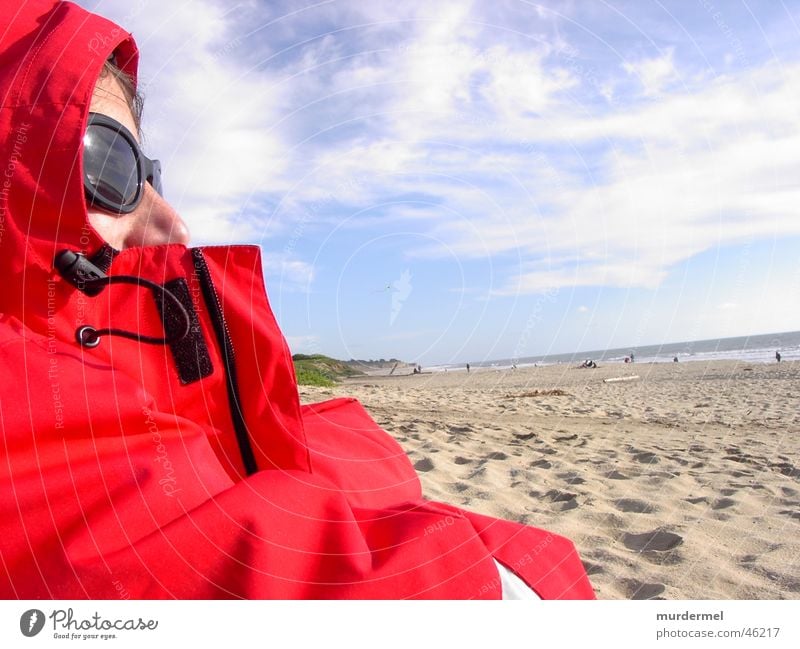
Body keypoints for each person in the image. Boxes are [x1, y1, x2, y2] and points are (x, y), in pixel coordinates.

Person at [0, 0, 593, 599]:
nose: (173, 224)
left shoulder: (97, 392)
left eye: (150, 173)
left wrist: (360, 467)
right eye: (108, 164)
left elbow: (252, 465)